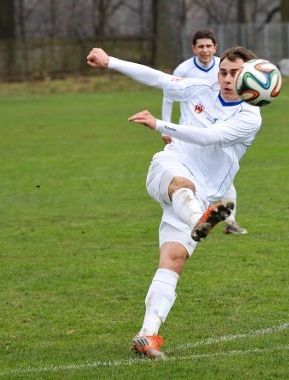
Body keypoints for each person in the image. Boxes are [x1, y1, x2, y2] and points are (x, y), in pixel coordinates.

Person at [86, 45, 262, 359]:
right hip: (169, 171)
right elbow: (159, 79)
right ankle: (199, 219)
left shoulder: (250, 116)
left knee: (173, 261)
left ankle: (147, 335)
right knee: (184, 185)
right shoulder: (201, 88)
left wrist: (160, 125)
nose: (225, 78)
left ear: (249, 76)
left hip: (204, 195)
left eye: (234, 73)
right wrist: (110, 61)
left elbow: (210, 137)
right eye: (223, 71)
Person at [162, 28, 248, 235]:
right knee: (185, 177)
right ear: (194, 48)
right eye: (200, 46)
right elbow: (168, 96)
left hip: (216, 132)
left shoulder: (224, 67)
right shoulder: (183, 70)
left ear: (215, 47)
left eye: (209, 46)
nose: (205, 50)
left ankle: (229, 222)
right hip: (188, 135)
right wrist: (165, 127)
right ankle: (192, 217)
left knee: (225, 178)